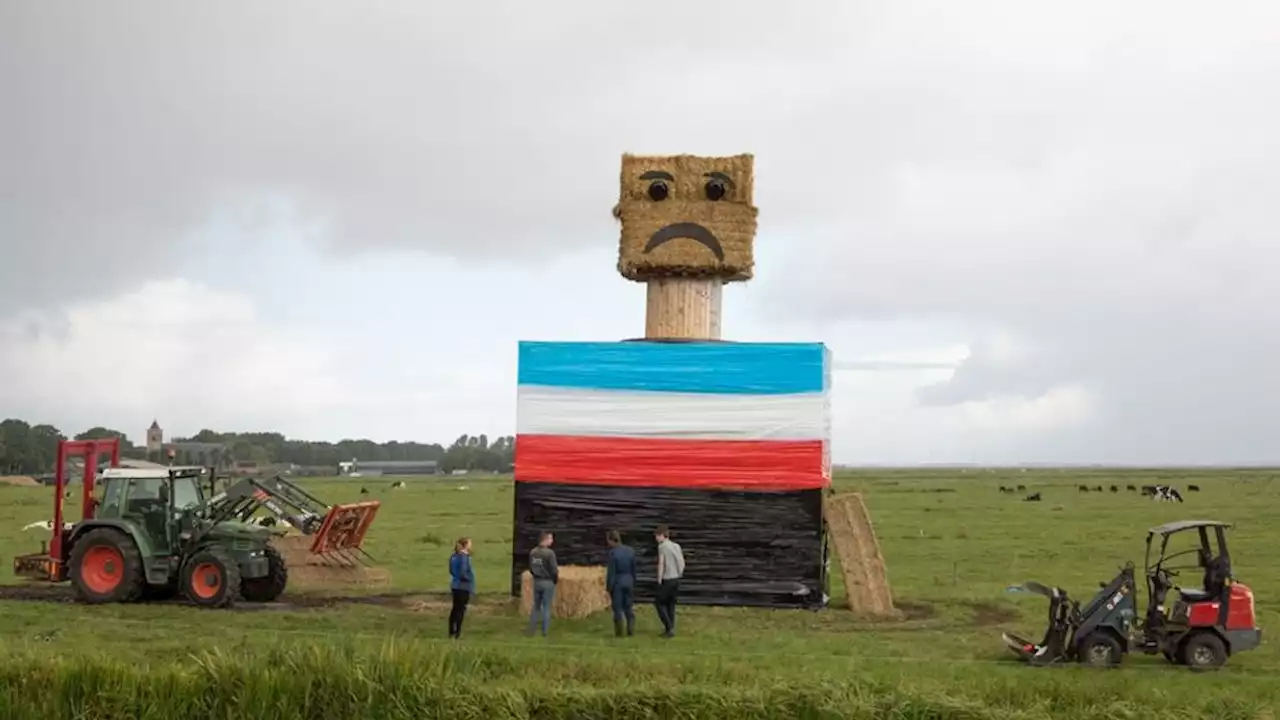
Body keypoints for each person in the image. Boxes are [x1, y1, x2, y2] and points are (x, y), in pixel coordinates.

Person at [653, 524, 685, 638]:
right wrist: (679, 573)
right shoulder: (676, 546)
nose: (656, 538)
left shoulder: (662, 547)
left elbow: (661, 563)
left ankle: (669, 626)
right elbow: (681, 562)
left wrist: (659, 579)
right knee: (671, 604)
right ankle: (670, 628)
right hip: (676, 578)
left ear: (663, 535)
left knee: (659, 603)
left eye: (657, 536)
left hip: (667, 578)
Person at [605, 529, 637, 637]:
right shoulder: (630, 551)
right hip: (629, 581)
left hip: (618, 583)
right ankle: (630, 628)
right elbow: (634, 569)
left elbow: (611, 572)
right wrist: (633, 581)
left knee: (617, 608)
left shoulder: (612, 553)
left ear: (611, 540)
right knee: (628, 606)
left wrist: (609, 587)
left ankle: (619, 631)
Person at [527, 530, 558, 636]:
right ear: (545, 539)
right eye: (550, 538)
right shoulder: (550, 553)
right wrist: (555, 580)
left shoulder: (533, 552)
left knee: (536, 606)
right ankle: (544, 631)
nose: (552, 541)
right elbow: (554, 570)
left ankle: (531, 630)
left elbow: (531, 568)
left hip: (537, 581)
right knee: (546, 607)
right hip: (548, 581)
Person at [448, 537, 474, 639]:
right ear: (465, 545)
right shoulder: (464, 557)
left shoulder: (454, 556)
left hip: (455, 585)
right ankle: (458, 632)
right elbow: (463, 571)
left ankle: (451, 630)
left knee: (454, 608)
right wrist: (468, 578)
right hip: (463, 586)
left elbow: (451, 570)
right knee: (461, 610)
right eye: (469, 543)